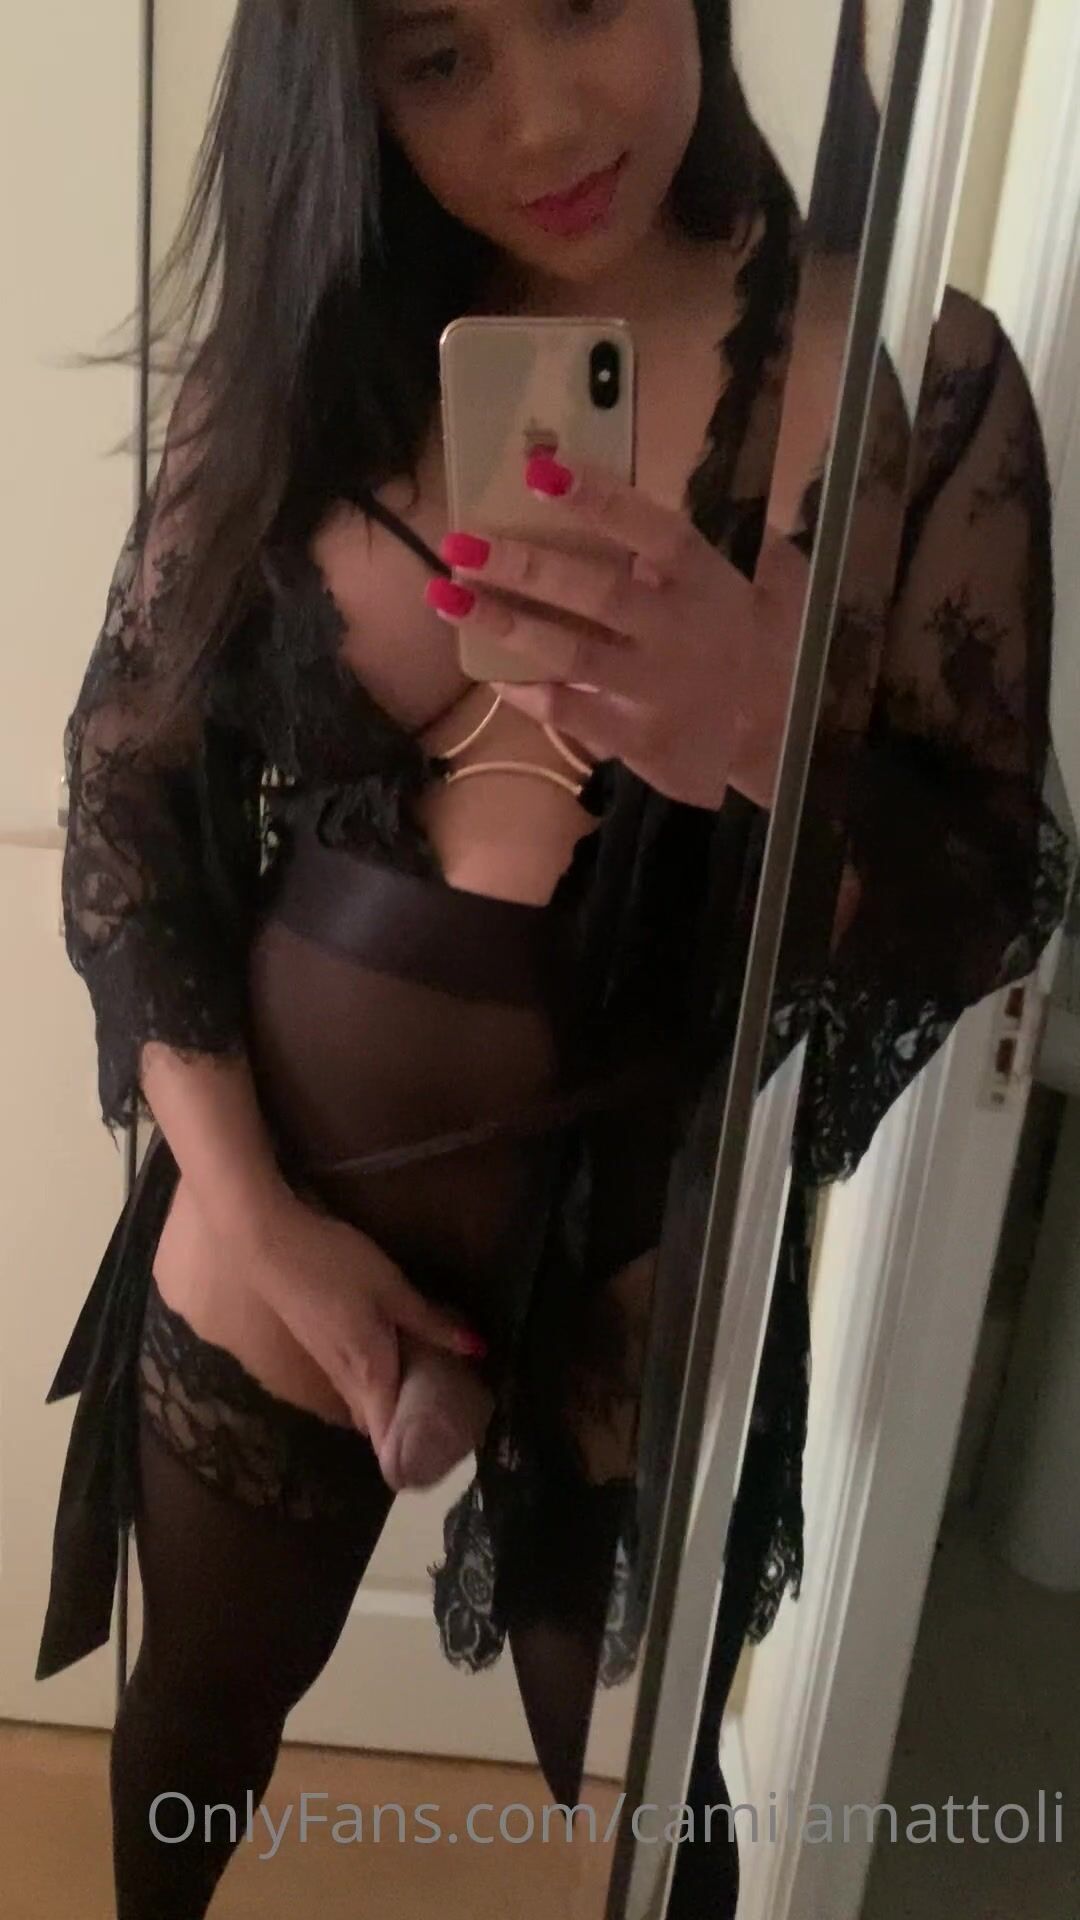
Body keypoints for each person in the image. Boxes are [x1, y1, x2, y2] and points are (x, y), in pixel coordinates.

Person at [34, 1, 1069, 1915]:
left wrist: (761, 735)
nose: (542, 121)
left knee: (669, 1811)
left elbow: (992, 883)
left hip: (643, 1244)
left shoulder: (913, 381)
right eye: (439, 58)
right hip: (281, 1193)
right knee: (195, 1721)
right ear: (352, 90)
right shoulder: (307, 357)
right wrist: (254, 1213)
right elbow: (124, 791)